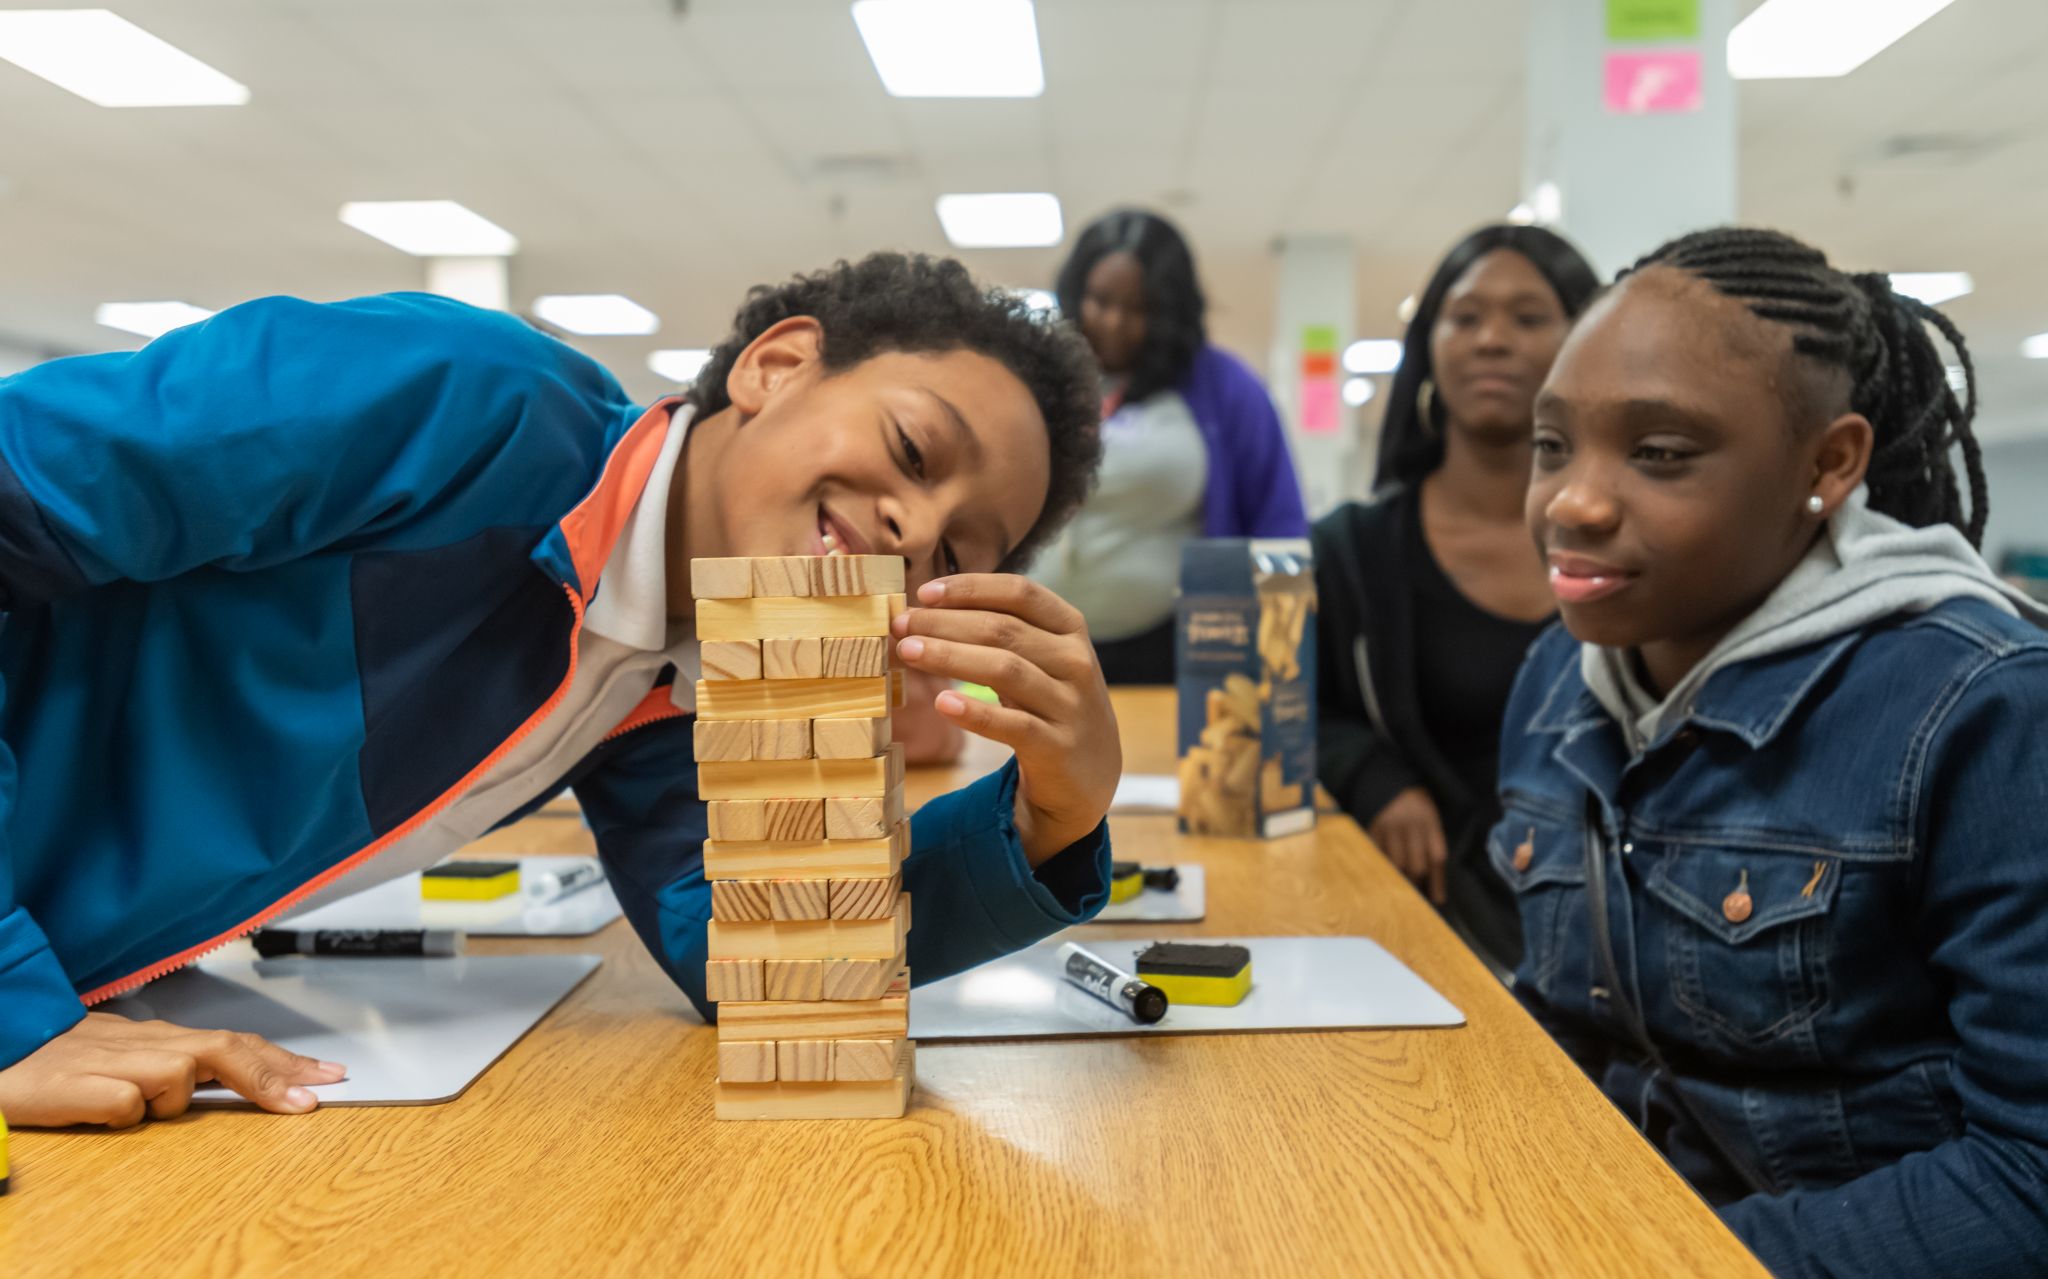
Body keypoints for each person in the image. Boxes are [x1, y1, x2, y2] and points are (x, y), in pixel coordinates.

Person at [0, 253, 1122, 1128]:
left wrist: (1049, 819)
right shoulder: (454, 400)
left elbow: (753, 960)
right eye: (915, 451)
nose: (913, 532)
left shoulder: (689, 672)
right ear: (775, 367)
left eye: (955, 554)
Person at [1499, 226, 2048, 1279]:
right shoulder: (1565, 671)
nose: (1571, 504)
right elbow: (1569, 1031)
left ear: (1826, 464)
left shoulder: (1979, 707)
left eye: (1658, 453)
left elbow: (2030, 1182)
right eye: (1551, 446)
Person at [1314, 225, 1599, 972]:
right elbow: (1291, 708)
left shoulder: (1632, 541)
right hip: (1427, 929)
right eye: (1465, 316)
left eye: (1528, 317)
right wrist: (1373, 775)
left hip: (1618, 938)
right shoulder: (1354, 551)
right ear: (1431, 344)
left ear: (1586, 339)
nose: (1492, 340)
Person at [1033, 209, 1307, 684]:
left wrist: (1282, 660)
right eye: (1100, 300)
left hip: (1173, 651)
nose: (1114, 322)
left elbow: (1278, 522)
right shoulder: (1037, 375)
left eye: (1139, 308)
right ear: (1077, 290)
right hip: (1035, 642)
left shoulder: (1225, 387)